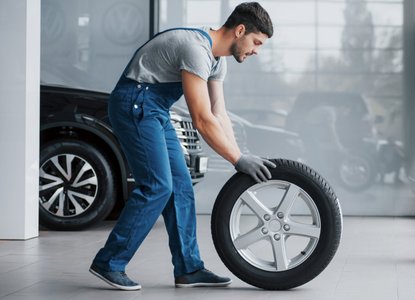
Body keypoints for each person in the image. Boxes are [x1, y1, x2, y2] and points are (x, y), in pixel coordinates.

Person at [89, 2, 276, 291]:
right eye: (256, 42)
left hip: (154, 109)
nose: (256, 51)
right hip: (134, 103)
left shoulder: (216, 60)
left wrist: (241, 155)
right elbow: (202, 120)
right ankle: (109, 262)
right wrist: (238, 160)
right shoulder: (196, 49)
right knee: (157, 186)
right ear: (240, 30)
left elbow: (218, 113)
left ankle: (188, 269)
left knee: (180, 186)